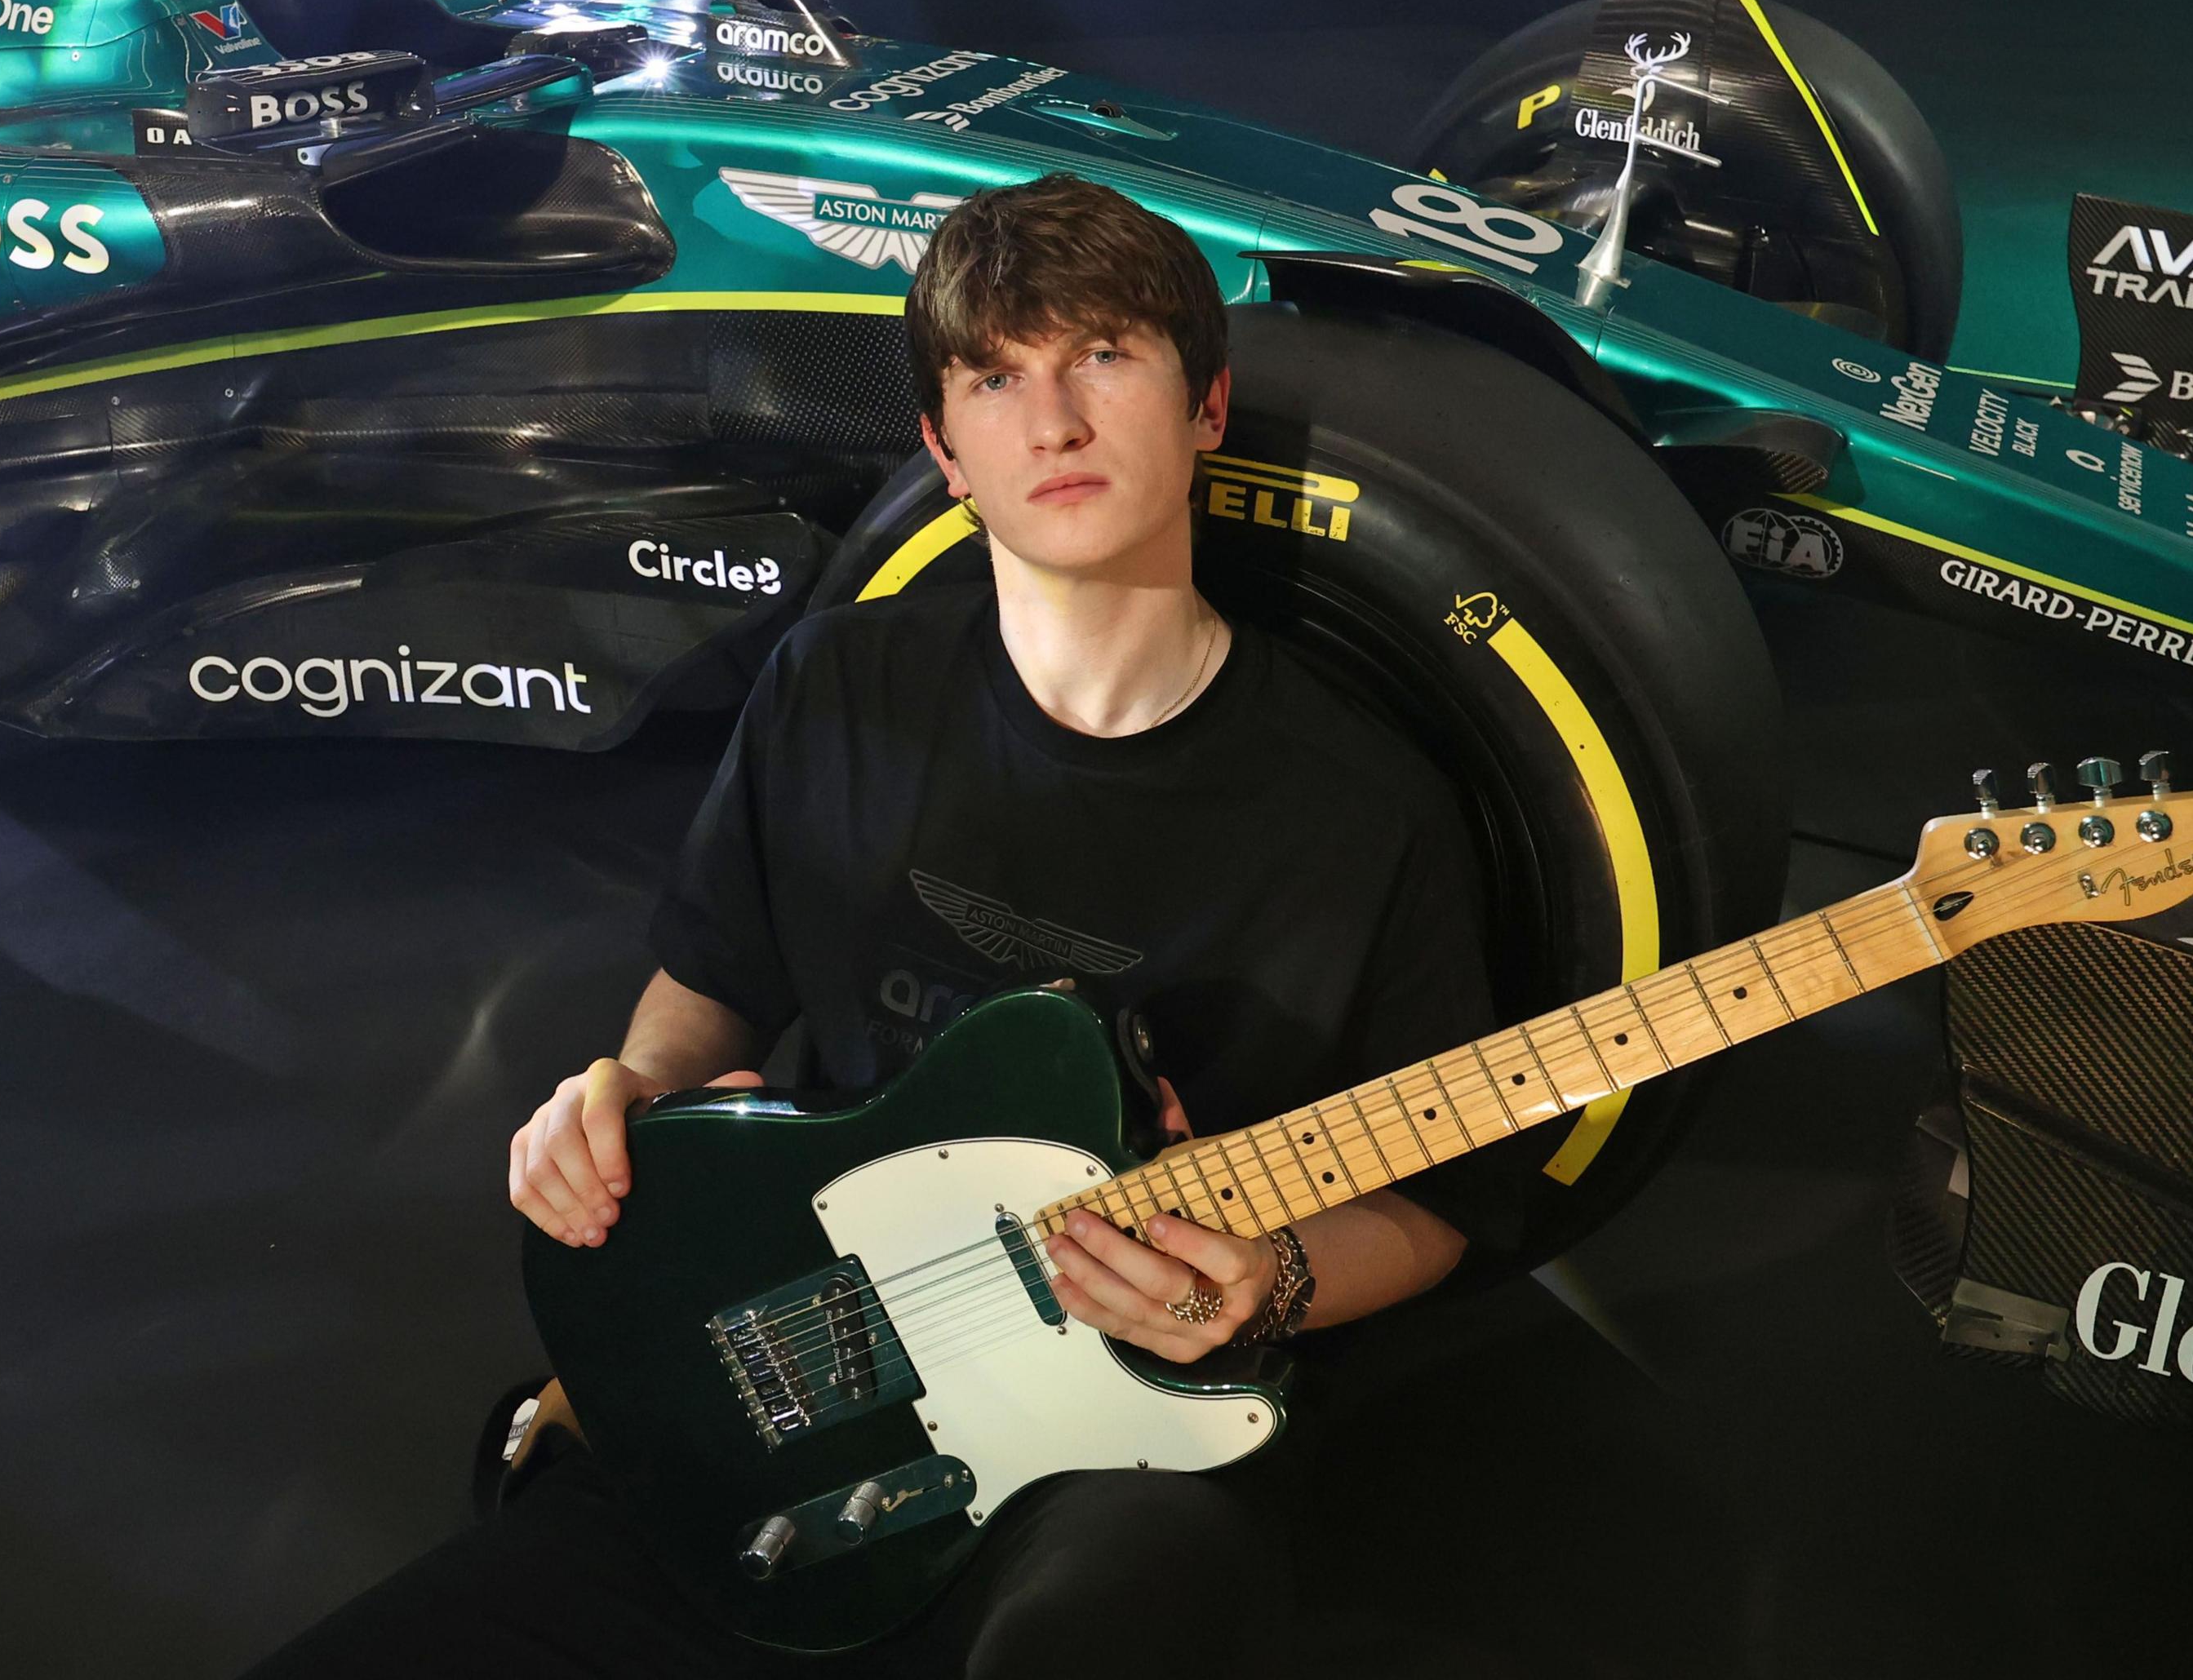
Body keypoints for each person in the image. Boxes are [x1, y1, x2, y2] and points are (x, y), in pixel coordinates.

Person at [248, 173, 1541, 1678]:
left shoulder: (1367, 804)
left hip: (1140, 1429)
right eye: (998, 378)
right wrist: (629, 1106)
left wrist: (1278, 1279)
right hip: (812, 1359)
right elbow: (711, 983)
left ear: (1205, 406)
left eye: (1106, 356)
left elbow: (1453, 1206)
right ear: (943, 448)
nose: (1052, 420)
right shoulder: (835, 688)